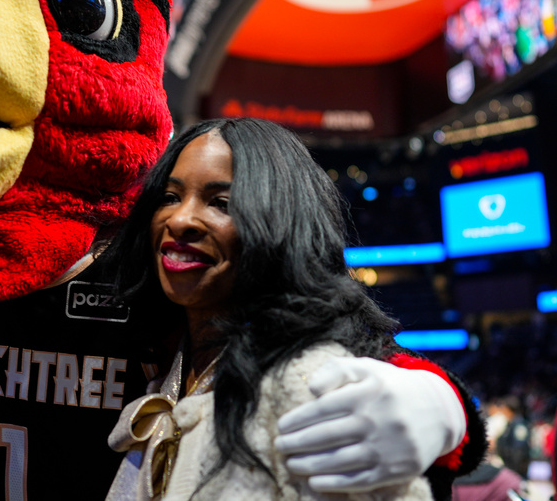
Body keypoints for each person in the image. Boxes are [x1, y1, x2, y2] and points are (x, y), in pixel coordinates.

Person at [100, 118, 476, 499]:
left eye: (221, 203)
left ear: (281, 222)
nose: (180, 220)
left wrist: (444, 403)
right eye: (170, 196)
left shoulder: (312, 389)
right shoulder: (152, 344)